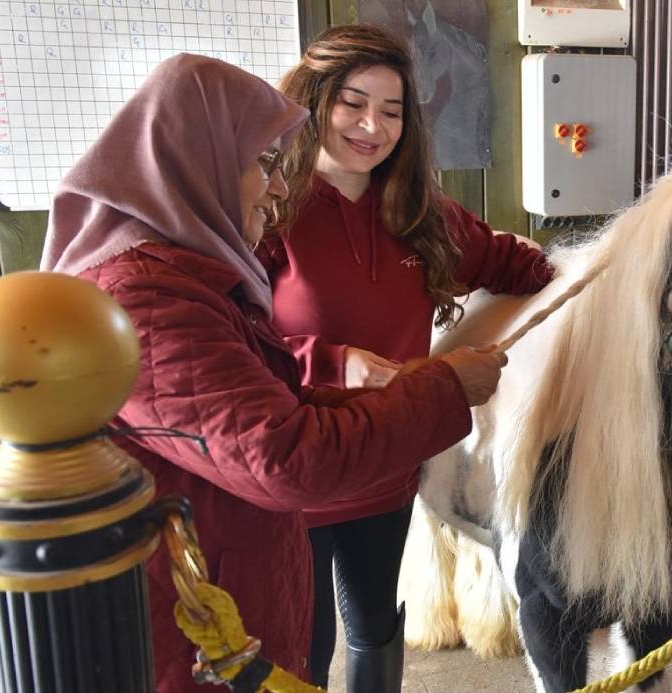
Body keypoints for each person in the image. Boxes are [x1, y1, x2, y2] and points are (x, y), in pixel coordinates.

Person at [39, 54, 507, 693]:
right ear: (196, 163)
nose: (278, 185)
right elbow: (285, 457)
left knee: (368, 623)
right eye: (263, 165)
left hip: (268, 546)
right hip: (213, 620)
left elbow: (265, 403)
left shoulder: (185, 276)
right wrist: (443, 386)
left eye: (393, 111)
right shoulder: (150, 300)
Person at [263, 25, 554, 691]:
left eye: (392, 112)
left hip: (385, 460)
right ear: (313, 102)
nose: (372, 126)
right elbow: (235, 336)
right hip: (294, 470)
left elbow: (521, 266)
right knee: (301, 642)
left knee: (373, 624)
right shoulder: (272, 207)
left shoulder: (423, 214)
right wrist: (338, 364)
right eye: (353, 103)